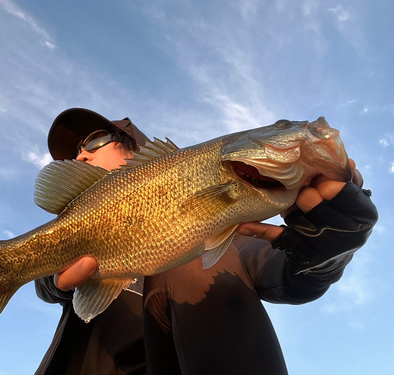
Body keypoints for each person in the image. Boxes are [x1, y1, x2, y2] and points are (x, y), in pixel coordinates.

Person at [34, 108, 378, 375]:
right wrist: (52, 281)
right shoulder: (78, 229)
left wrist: (324, 252)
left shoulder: (230, 235)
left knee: (201, 265)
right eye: (73, 154)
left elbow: (284, 273)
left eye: (93, 141)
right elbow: (48, 280)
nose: (80, 155)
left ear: (133, 146)